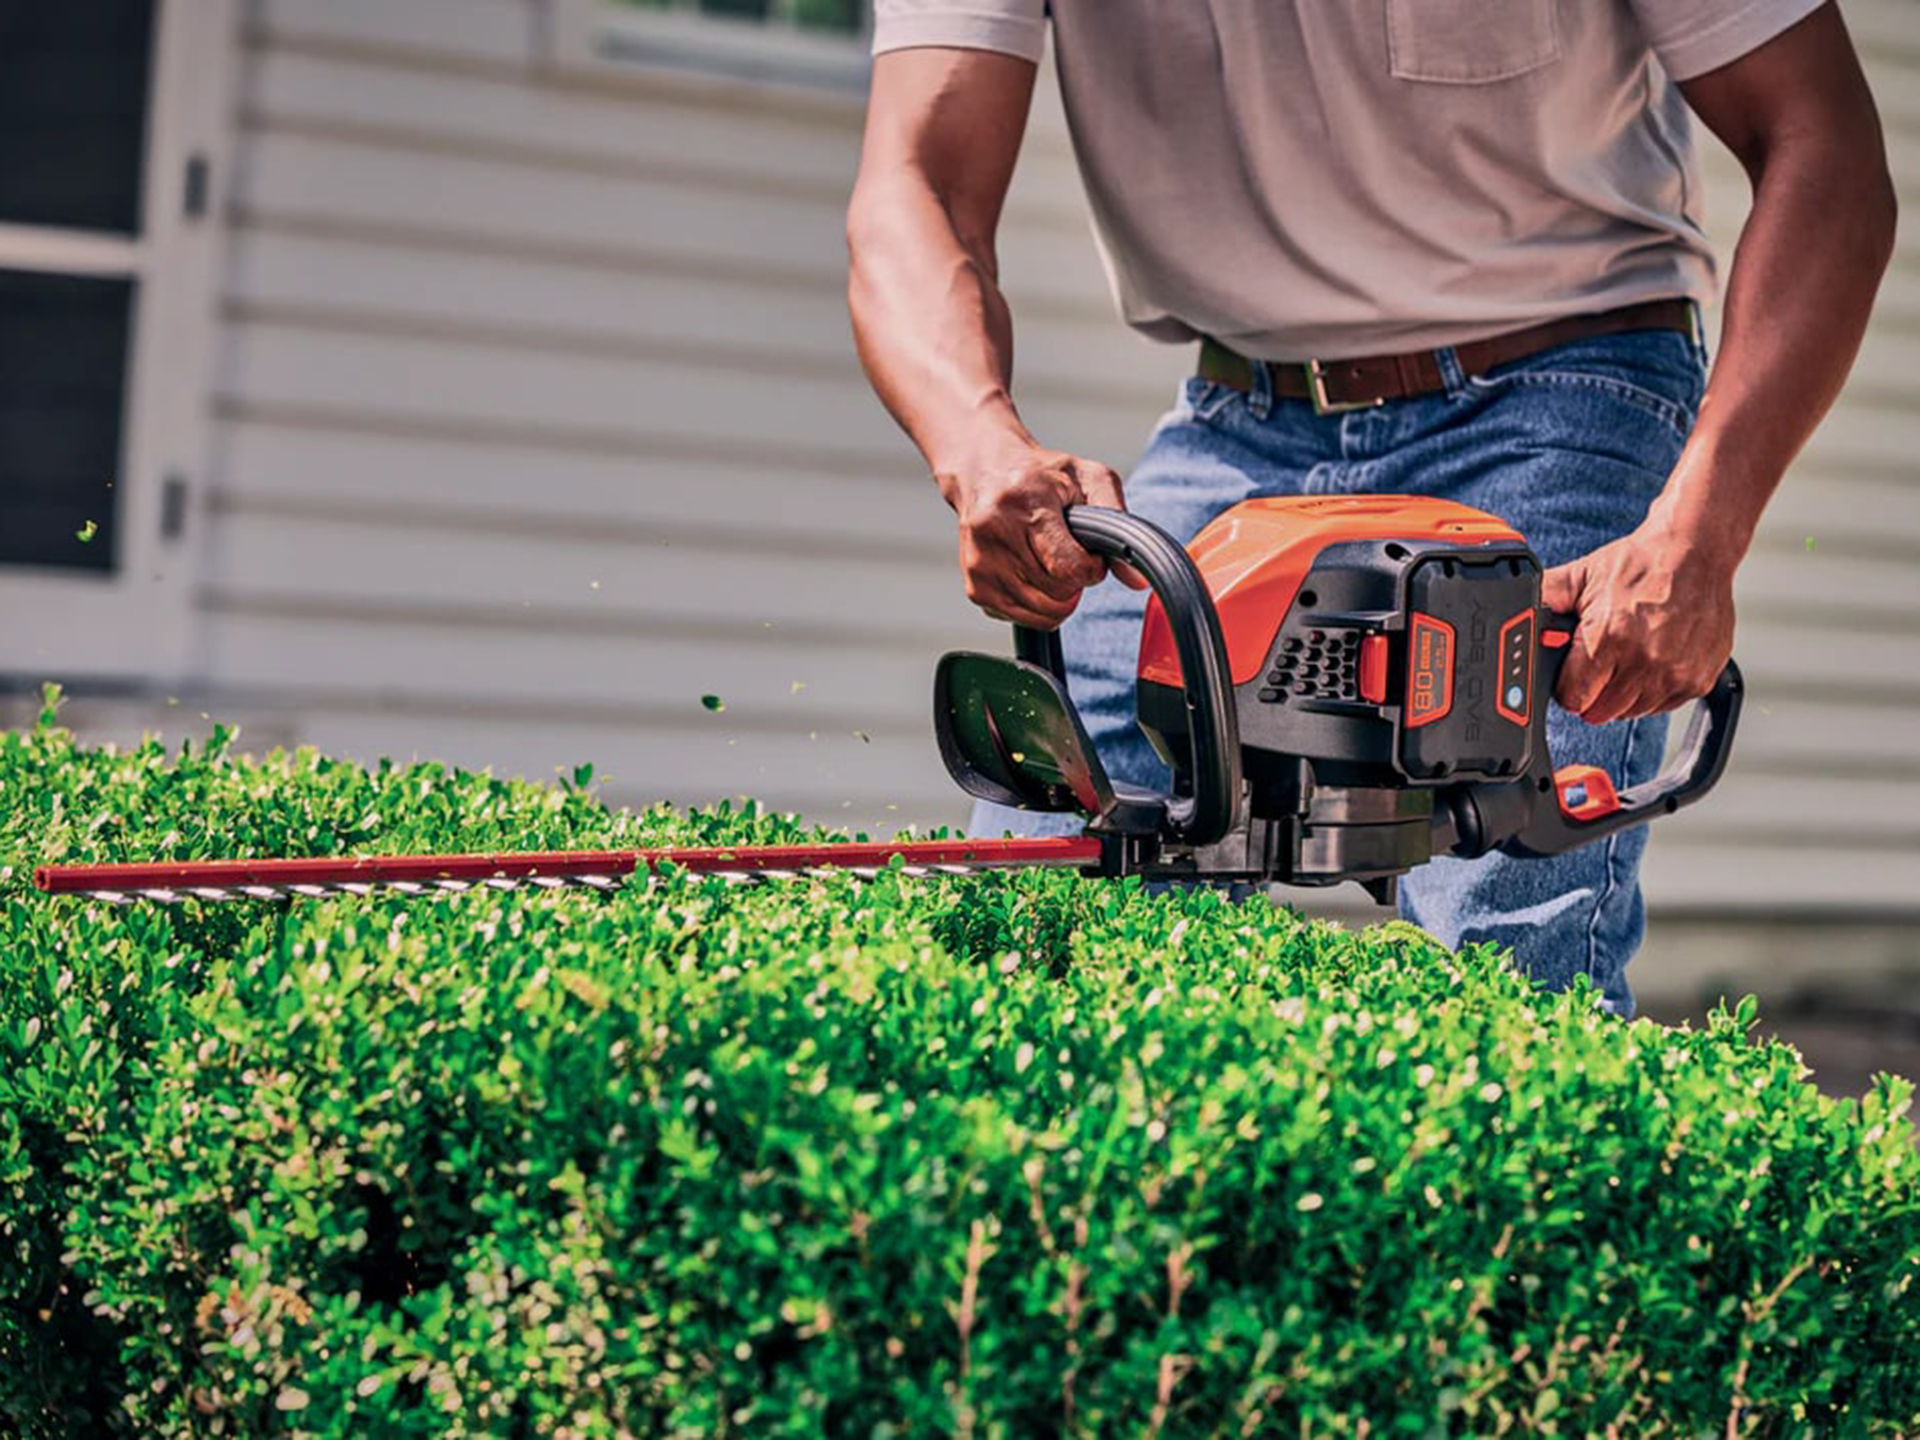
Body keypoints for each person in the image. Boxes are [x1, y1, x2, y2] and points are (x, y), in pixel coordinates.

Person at [845, 1, 1894, 1016]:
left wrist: (1697, 535)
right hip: (1240, 426)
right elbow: (915, 183)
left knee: (1508, 954)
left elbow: (1826, 148)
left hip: (1557, 383)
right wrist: (978, 443)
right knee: (1048, 895)